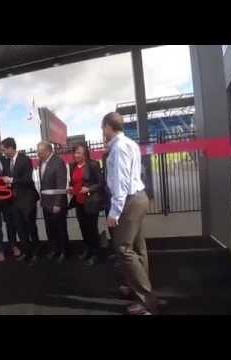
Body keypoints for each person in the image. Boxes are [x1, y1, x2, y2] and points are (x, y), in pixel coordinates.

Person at [102, 112, 158, 315]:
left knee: (123, 248)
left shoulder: (118, 147)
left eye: (103, 128)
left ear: (108, 126)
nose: (103, 132)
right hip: (139, 197)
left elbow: (121, 182)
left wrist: (114, 212)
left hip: (129, 201)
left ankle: (147, 301)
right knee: (137, 247)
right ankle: (139, 290)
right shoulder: (130, 144)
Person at [0, 137, 40, 265]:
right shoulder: (7, 162)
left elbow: (27, 180)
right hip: (14, 201)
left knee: (31, 228)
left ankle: (36, 253)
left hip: (27, 200)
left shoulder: (25, 159)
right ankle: (26, 252)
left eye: (4, 150)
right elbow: (5, 179)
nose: (3, 152)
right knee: (20, 229)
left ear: (11, 148)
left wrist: (11, 180)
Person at [67, 143, 104, 266]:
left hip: (91, 202)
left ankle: (95, 254)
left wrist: (88, 189)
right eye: (75, 153)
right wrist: (71, 188)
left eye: (79, 153)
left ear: (85, 154)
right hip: (79, 202)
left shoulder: (93, 165)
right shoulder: (73, 166)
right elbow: (73, 182)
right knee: (83, 228)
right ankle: (88, 250)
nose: (76, 155)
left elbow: (100, 183)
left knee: (92, 229)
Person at [37, 141, 69, 264]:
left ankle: (64, 252)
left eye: (40, 152)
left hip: (56, 204)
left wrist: (57, 204)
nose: (38, 155)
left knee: (60, 229)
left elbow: (61, 184)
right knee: (49, 229)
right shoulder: (41, 162)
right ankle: (54, 250)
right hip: (46, 203)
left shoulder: (58, 162)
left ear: (48, 151)